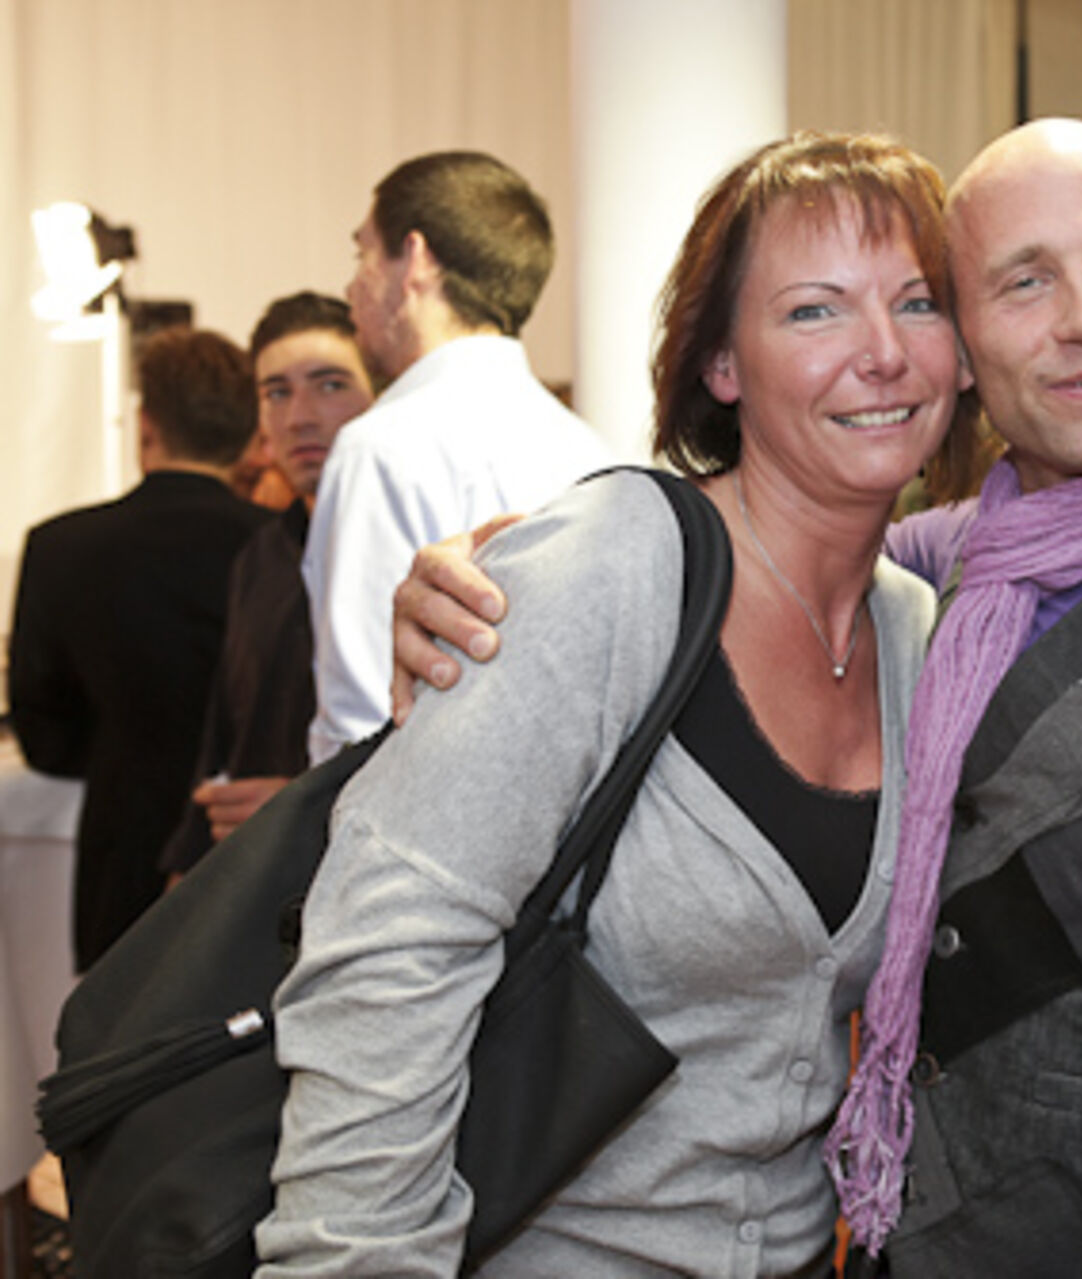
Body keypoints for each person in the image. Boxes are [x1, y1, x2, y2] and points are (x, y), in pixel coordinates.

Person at [394, 118, 1082, 1273]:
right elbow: (751, 558)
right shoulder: (938, 575)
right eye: (1023, 282)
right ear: (967, 349)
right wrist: (499, 579)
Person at [256, 132, 976, 1277]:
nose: (882, 353)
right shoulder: (612, 564)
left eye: (919, 302)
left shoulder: (921, 633)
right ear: (721, 363)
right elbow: (386, 953)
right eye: (814, 310)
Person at [303, 150, 613, 764]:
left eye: (362, 255)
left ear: (415, 259)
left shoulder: (383, 445)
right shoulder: (589, 448)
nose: (351, 288)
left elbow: (363, 714)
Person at [7, 327, 270, 969]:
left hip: (123, 847)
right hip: (256, 848)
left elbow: (44, 733)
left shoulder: (61, 547)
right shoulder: (282, 545)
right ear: (250, 432)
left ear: (146, 425)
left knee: (115, 1020)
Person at [158, 294, 376, 879]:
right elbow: (228, 734)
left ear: (380, 396)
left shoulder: (409, 549)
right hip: (257, 885)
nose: (299, 417)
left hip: (364, 882)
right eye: (276, 392)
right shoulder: (260, 557)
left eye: (329, 385)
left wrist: (304, 803)